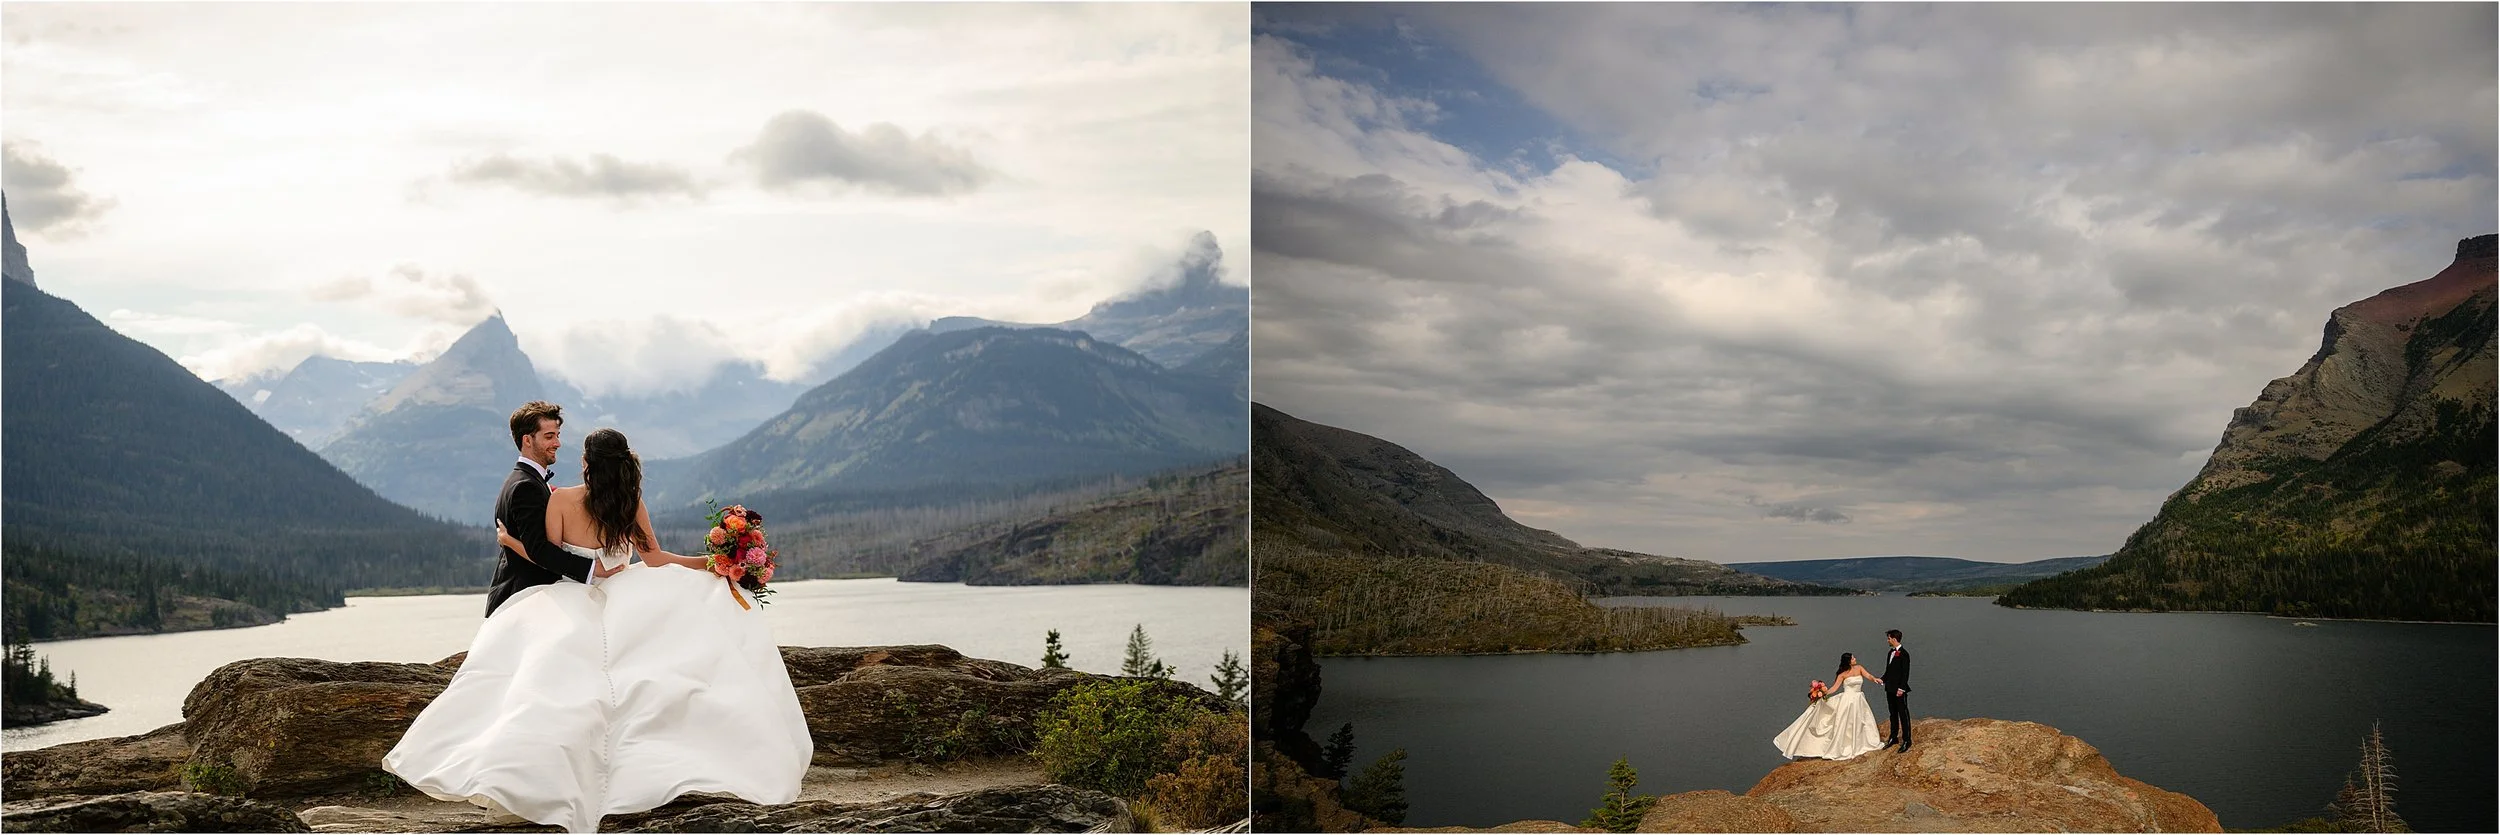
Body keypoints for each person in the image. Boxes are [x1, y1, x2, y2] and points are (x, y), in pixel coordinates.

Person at [385, 423, 811, 832]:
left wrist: (511, 543)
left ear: (586, 463)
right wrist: (714, 563)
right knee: (647, 679)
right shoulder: (631, 503)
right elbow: (656, 560)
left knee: (550, 687)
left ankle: (530, 783)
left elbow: (548, 558)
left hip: (571, 597)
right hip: (628, 595)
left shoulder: (561, 501)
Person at [1772, 651, 1884, 760]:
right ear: (1848, 661)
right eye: (1853, 658)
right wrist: (1822, 694)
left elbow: (1868, 675)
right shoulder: (1842, 674)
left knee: (1862, 721)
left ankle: (1861, 742)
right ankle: (1846, 745)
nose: (1855, 659)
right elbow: (1834, 688)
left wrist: (1875, 679)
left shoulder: (1859, 668)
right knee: (1846, 723)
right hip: (1847, 701)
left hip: (1859, 699)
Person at [1881, 628, 1913, 752]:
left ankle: (1907, 740)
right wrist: (1882, 679)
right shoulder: (1890, 653)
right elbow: (1889, 670)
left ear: (1894, 639)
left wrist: (1901, 688)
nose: (1887, 640)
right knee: (1893, 713)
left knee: (1903, 714)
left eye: (1889, 638)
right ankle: (1893, 737)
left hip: (1899, 690)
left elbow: (1905, 673)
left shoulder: (1904, 654)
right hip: (1889, 688)